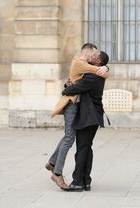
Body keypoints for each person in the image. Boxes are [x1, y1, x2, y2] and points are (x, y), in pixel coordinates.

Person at [45, 43, 109, 189]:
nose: (92, 57)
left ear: (97, 60)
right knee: (73, 140)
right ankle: (60, 172)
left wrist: (105, 68)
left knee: (80, 144)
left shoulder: (91, 74)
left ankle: (70, 175)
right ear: (87, 54)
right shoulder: (81, 64)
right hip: (74, 106)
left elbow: (96, 74)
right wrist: (105, 68)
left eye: (95, 56)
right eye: (92, 54)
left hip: (86, 113)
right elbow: (99, 71)